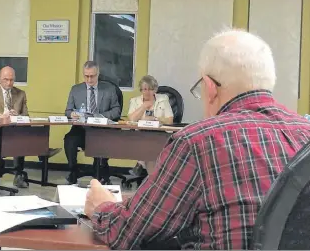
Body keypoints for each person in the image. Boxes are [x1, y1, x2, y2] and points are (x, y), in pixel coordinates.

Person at [85, 30, 310, 250]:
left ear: (210, 87)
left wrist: (101, 207)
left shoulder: (197, 141)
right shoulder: (306, 132)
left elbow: (129, 232)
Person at [64, 61, 121, 184]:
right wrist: (72, 114)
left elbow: (116, 111)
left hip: (102, 130)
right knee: (69, 140)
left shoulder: (109, 89)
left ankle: (100, 173)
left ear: (98, 74)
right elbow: (67, 111)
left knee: (103, 144)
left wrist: (99, 116)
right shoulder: (76, 90)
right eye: (86, 76)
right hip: (82, 129)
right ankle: (73, 171)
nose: (89, 79)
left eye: (92, 76)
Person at [128, 75, 173, 175]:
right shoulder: (135, 101)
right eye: (144, 89)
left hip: (160, 135)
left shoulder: (163, 99)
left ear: (155, 90)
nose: (147, 92)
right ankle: (152, 182)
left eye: (150, 89)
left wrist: (155, 119)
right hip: (140, 135)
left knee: (149, 148)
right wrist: (144, 106)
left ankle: (140, 163)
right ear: (141, 90)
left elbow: (169, 120)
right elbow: (131, 119)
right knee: (149, 150)